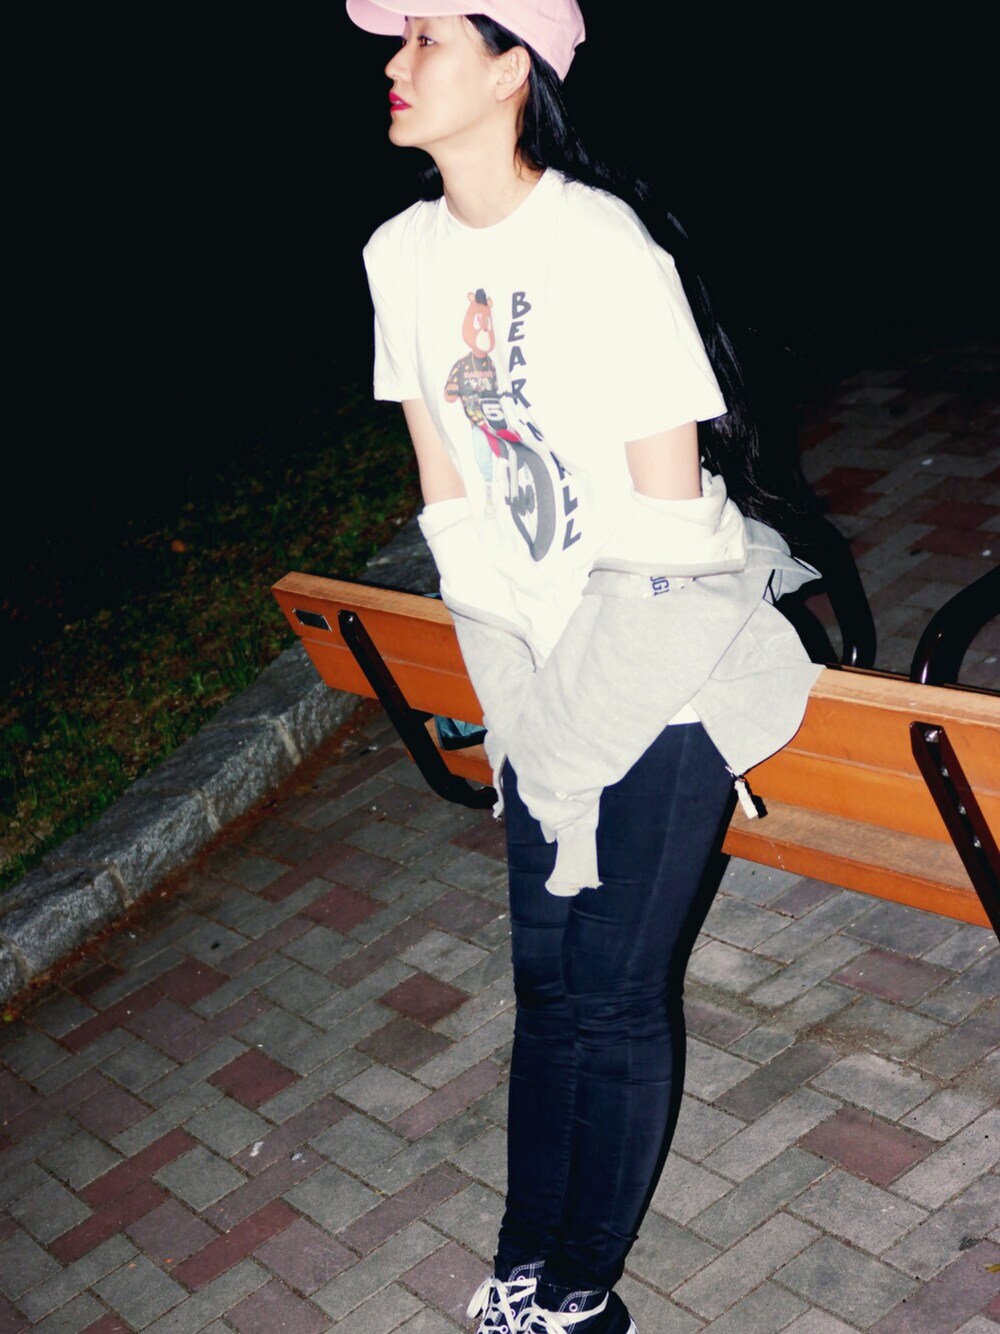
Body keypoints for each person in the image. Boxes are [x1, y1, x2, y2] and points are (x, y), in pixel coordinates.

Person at [346, 4, 822, 1331]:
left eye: (428, 38)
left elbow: (673, 532)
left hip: (665, 658)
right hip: (540, 670)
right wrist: (518, 701)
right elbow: (451, 506)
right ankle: (524, 1273)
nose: (395, 63)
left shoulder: (601, 245)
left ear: (515, 69)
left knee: (609, 995)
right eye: (399, 39)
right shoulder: (399, 256)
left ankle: (580, 1296)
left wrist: (563, 735)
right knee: (546, 988)